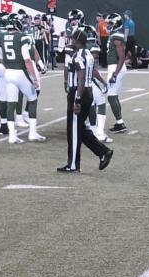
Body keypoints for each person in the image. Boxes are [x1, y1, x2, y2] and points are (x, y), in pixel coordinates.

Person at [57, 28, 113, 173]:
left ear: (76, 40)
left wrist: (77, 100)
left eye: (72, 38)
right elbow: (92, 70)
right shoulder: (87, 53)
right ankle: (103, 152)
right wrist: (102, 81)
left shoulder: (78, 56)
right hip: (87, 92)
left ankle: (74, 165)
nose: (71, 40)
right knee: (79, 128)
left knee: (74, 131)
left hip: (79, 91)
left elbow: (81, 78)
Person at [1, 13, 44, 143]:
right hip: (20, 72)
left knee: (11, 103)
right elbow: (27, 60)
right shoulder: (22, 37)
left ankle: (12, 136)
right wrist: (35, 79)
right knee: (33, 98)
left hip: (8, 73)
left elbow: (2, 58)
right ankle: (32, 132)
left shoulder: (1, 37)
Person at [105, 12, 128, 133]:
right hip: (114, 67)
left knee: (111, 96)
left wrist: (115, 73)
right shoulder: (114, 35)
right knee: (114, 96)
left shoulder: (116, 36)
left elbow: (122, 57)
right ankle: (119, 122)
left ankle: (120, 123)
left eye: (110, 23)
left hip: (116, 67)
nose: (107, 25)